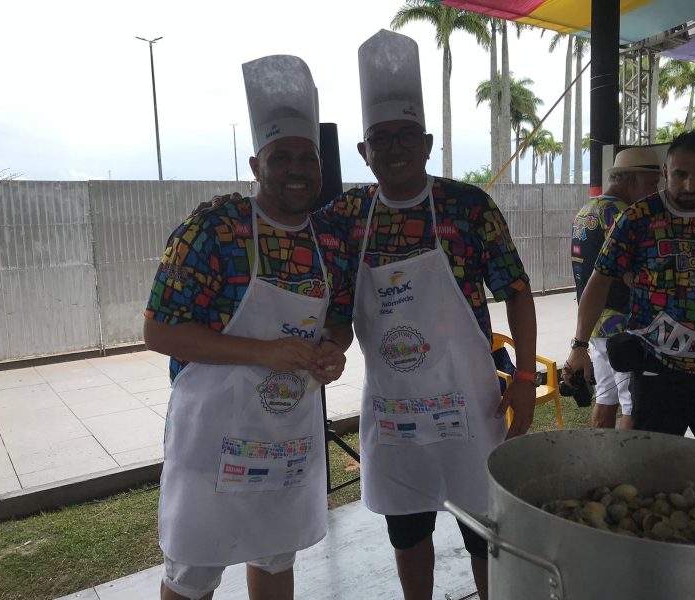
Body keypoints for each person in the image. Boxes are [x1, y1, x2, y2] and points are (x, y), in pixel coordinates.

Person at [314, 29, 537, 600]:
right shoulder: (348, 214)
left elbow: (516, 290)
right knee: (407, 531)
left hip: (472, 403)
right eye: (379, 139)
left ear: (427, 142)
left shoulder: (467, 206)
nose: (393, 148)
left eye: (406, 135)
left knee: (484, 532)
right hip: (395, 409)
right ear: (362, 151)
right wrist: (325, 346)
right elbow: (327, 291)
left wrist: (524, 377)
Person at [143, 55, 352, 600]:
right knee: (192, 572)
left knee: (275, 553)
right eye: (282, 158)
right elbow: (159, 332)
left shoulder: (329, 241)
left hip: (285, 436)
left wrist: (334, 349)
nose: (296, 169)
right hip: (212, 439)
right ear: (258, 164)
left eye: (307, 157)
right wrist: (263, 352)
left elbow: (339, 318)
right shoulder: (213, 228)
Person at [564, 130, 695, 443]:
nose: (689, 185)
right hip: (656, 371)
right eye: (680, 174)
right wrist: (579, 346)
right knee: (651, 465)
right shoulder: (637, 217)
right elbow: (599, 279)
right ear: (665, 171)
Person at [571, 146, 661, 430]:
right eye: (652, 183)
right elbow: (633, 272)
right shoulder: (623, 214)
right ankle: (627, 457)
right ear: (632, 180)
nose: (655, 192)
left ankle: (601, 456)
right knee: (632, 404)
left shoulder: (587, 210)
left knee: (606, 398)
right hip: (623, 323)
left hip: (596, 323)